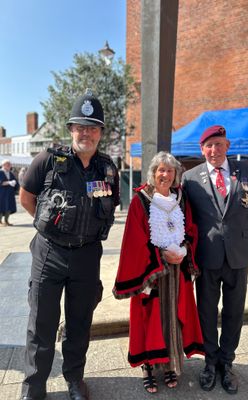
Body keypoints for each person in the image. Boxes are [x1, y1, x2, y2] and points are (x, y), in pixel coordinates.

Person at [19, 89, 120, 400]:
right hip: (49, 252)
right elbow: (26, 197)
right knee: (41, 326)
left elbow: (110, 207)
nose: (85, 133)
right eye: (80, 126)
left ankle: (74, 380)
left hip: (87, 255)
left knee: (79, 325)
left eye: (92, 127)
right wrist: (50, 227)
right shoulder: (48, 160)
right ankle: (33, 388)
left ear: (101, 132)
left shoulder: (108, 169)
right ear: (71, 130)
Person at [182, 125, 248, 395]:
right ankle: (210, 362)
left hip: (240, 255)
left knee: (234, 312)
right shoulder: (190, 178)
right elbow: (186, 219)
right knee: (206, 311)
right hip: (207, 256)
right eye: (208, 146)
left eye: (219, 144)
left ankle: (226, 362)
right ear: (201, 149)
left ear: (227, 146)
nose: (214, 150)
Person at [113, 151, 204, 394]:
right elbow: (134, 239)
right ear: (153, 173)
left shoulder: (181, 198)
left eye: (170, 170)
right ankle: (148, 367)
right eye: (160, 170)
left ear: (176, 175)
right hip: (151, 274)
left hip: (178, 273)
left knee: (174, 318)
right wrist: (161, 256)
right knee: (149, 319)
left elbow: (191, 229)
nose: (165, 174)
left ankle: (170, 364)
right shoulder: (140, 200)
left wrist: (184, 250)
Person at [0, 159, 19, 226]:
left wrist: (15, 183)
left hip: (10, 193)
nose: (9, 166)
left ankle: (6, 221)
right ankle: (0, 222)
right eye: (8, 164)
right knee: (2, 207)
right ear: (4, 165)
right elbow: (1, 182)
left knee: (8, 207)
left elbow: (15, 181)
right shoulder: (1, 172)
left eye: (10, 164)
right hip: (2, 193)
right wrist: (9, 182)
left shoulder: (10, 173)